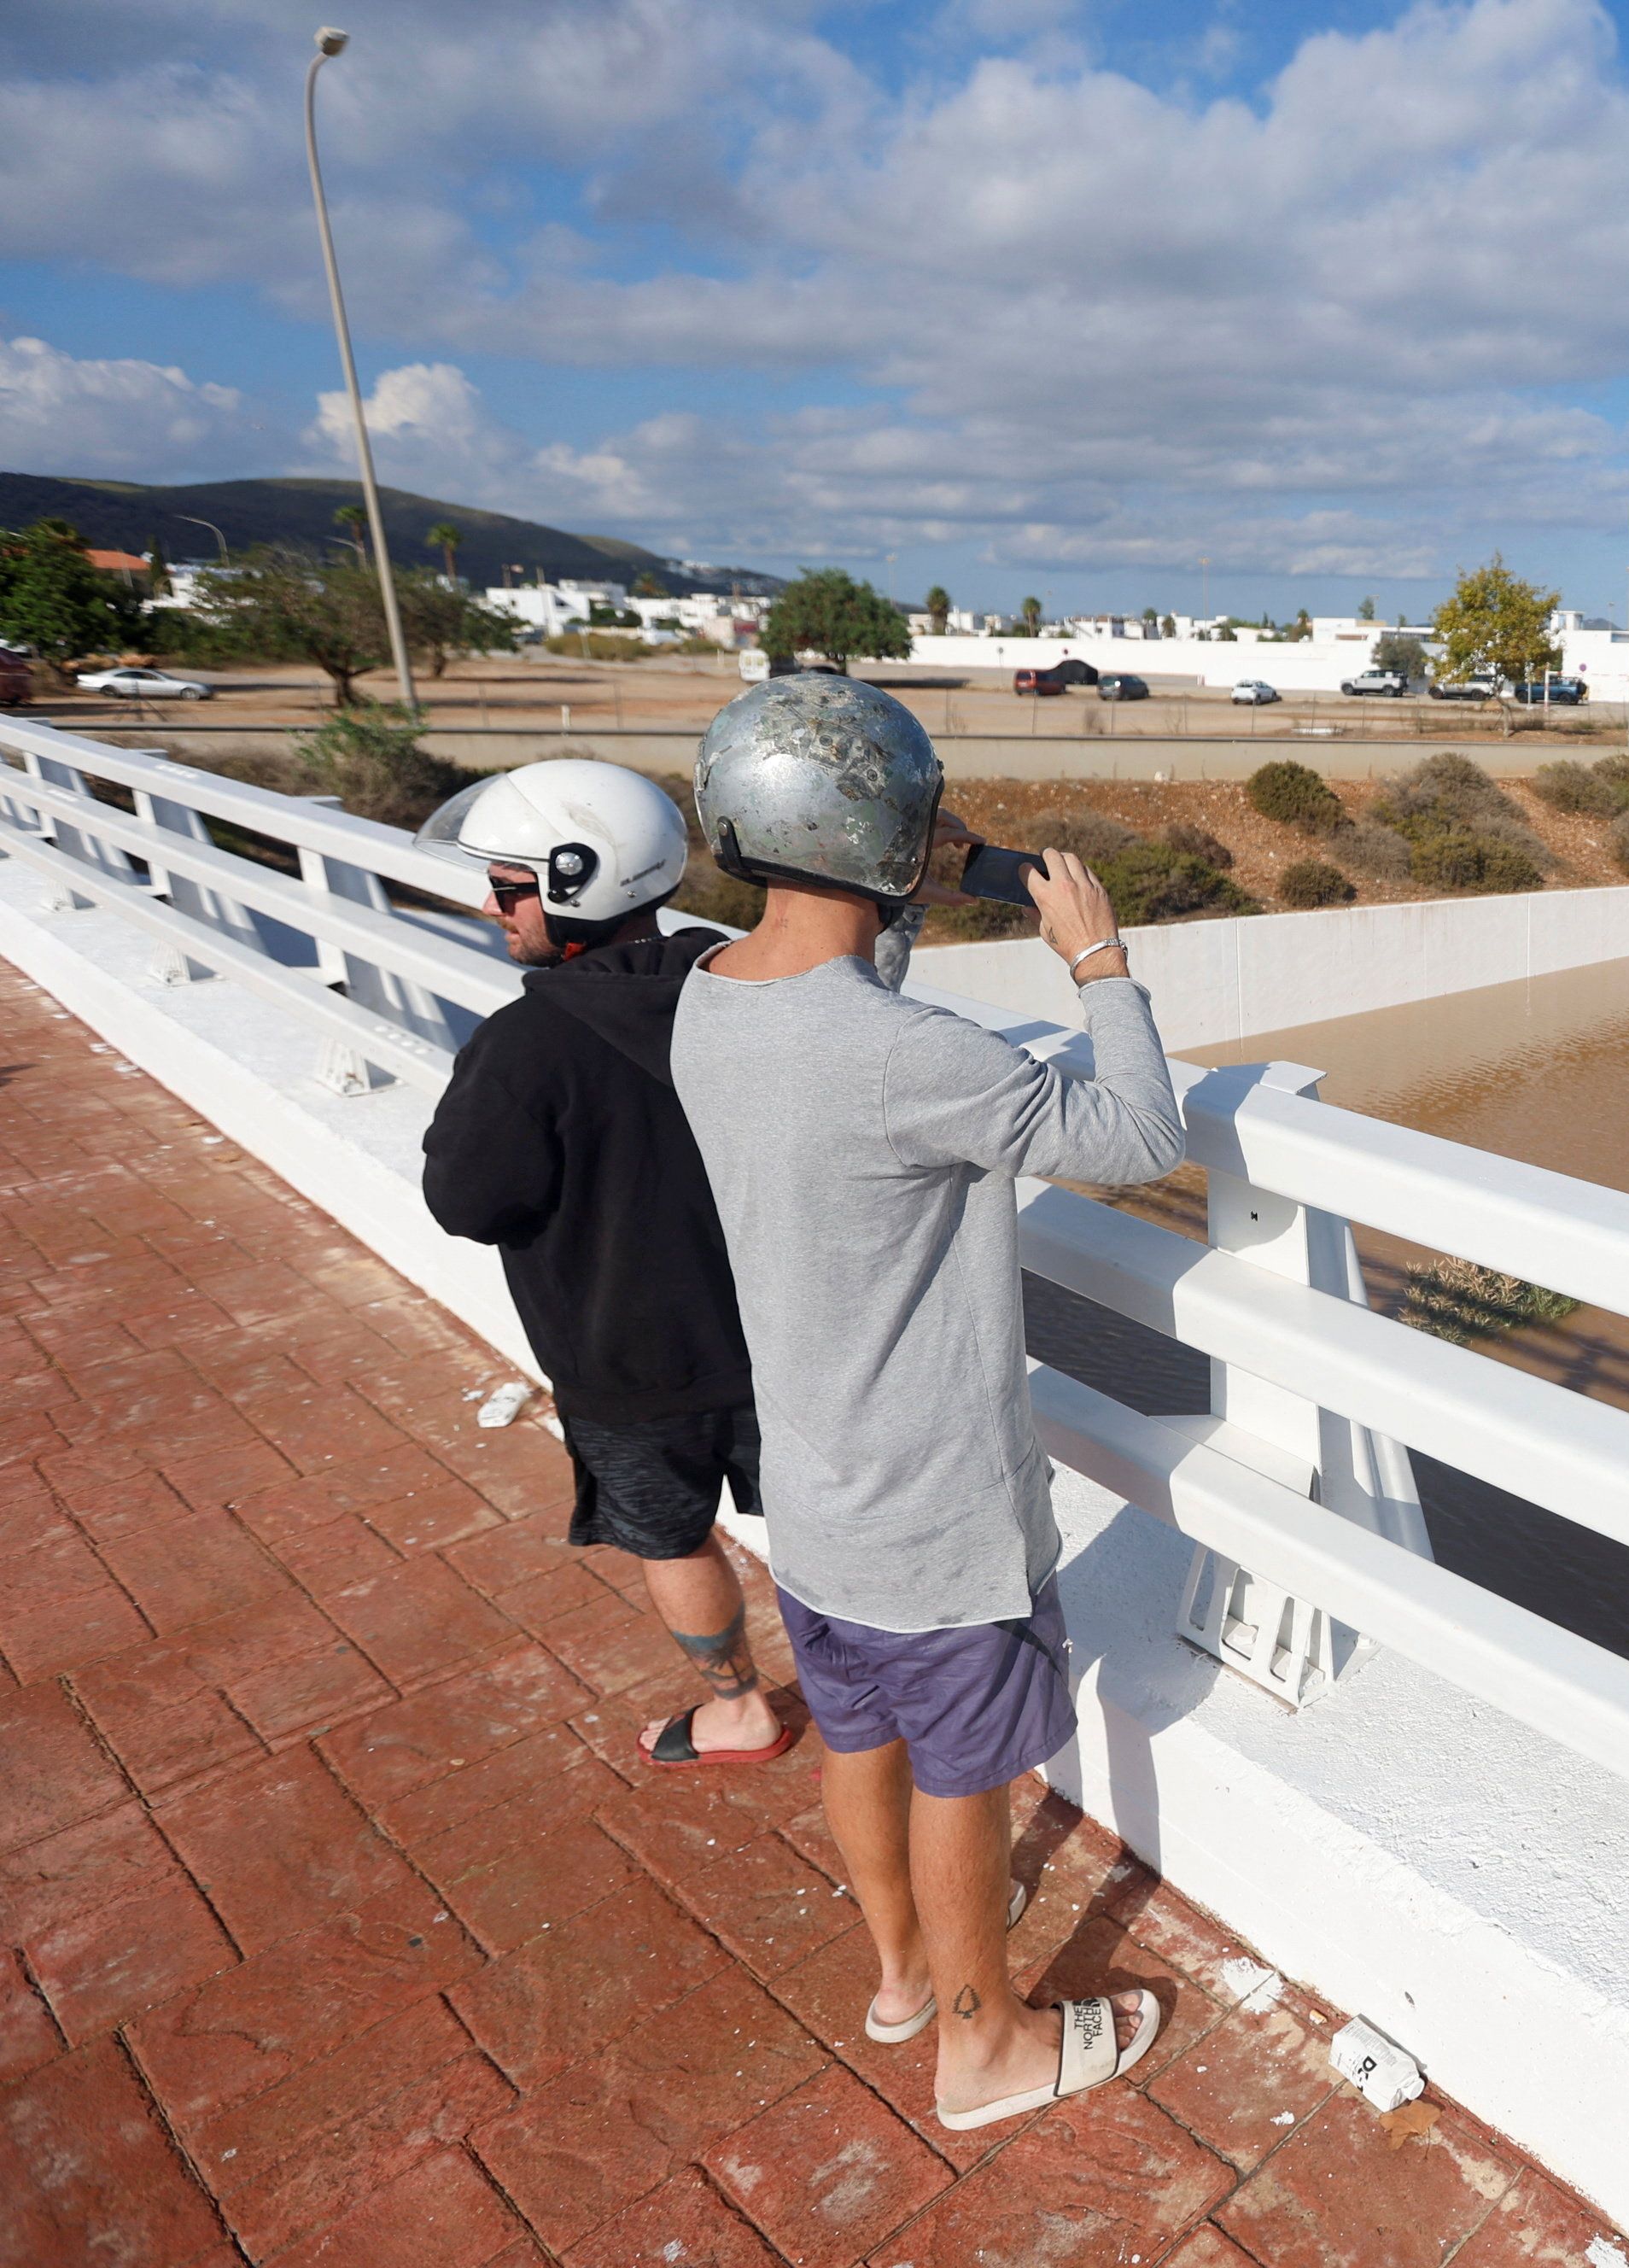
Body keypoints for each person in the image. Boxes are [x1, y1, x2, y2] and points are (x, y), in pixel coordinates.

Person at [672, 673, 1185, 2130]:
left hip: (818, 1505)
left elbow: (841, 994)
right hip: (937, 1514)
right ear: (882, 834)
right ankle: (983, 2045)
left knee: (859, 1741)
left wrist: (912, 863)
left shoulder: (709, 997)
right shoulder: (919, 1059)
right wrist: (1097, 964)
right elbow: (1138, 1132)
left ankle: (899, 1977)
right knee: (965, 1776)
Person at [417, 758, 792, 1772]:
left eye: (507, 887)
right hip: (784, 1344)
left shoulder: (525, 1044)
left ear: (576, 881)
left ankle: (742, 1710)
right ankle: (863, 1689)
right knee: (819, 1534)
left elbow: (465, 1201)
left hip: (623, 1372)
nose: (492, 907)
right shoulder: (741, 981)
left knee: (674, 1541)